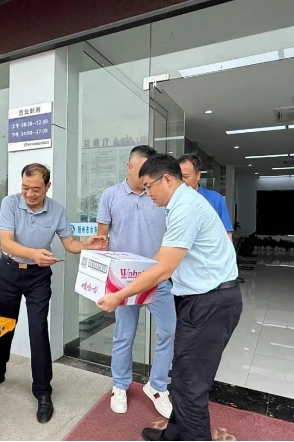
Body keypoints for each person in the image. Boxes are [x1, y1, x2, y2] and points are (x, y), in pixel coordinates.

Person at [97, 154, 242, 441]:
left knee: (191, 386)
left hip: (210, 303)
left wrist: (119, 294)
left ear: (166, 179)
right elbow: (162, 258)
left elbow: (164, 268)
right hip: (200, 300)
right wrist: (128, 278)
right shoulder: (180, 204)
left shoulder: (185, 208)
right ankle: (173, 434)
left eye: (149, 186)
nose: (148, 194)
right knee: (184, 379)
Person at [0, 163, 108, 424]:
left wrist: (87, 245)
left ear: (47, 186)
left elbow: (69, 244)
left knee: (38, 331)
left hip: (38, 277)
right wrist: (33, 253)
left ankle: (43, 392)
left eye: (36, 189)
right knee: (3, 327)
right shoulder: (10, 204)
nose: (29, 194)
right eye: (25, 187)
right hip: (9, 272)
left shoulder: (57, 210)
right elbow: (6, 242)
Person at [97, 145, 176, 419]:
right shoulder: (110, 195)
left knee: (169, 331)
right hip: (124, 280)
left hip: (158, 276)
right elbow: (102, 240)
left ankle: (157, 386)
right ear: (129, 166)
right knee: (124, 333)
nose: (147, 176)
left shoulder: (161, 196)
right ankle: (120, 385)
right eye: (142, 169)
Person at [177, 153, 233, 240]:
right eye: (179, 177)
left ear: (198, 175)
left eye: (185, 177)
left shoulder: (215, 199)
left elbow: (227, 234)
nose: (182, 181)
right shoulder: (172, 200)